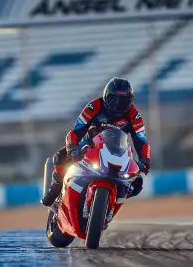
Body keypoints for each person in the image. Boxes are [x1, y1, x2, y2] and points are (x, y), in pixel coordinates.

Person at [41, 77, 151, 207]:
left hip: (120, 148)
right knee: (61, 158)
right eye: (113, 99)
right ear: (105, 95)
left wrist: (145, 159)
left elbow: (141, 141)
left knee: (137, 183)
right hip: (91, 143)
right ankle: (55, 188)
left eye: (122, 101)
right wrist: (72, 147)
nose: (116, 104)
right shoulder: (94, 106)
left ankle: (113, 202)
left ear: (129, 101)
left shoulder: (134, 115)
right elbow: (76, 131)